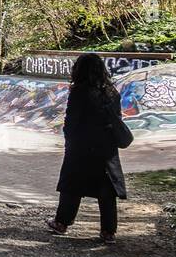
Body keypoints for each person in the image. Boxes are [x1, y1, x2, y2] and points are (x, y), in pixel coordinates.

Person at [46, 52, 131, 244]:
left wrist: (69, 140)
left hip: (82, 145)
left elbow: (72, 121)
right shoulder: (111, 92)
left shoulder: (79, 92)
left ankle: (62, 222)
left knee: (71, 185)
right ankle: (108, 232)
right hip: (106, 147)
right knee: (106, 190)